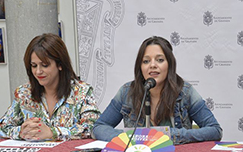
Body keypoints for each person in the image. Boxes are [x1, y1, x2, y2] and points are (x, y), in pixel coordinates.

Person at [92, 36, 222, 144]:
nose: (153, 65)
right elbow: (98, 128)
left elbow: (215, 130)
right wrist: (131, 137)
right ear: (140, 67)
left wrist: (173, 135)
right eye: (146, 61)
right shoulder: (127, 92)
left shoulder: (185, 92)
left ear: (169, 64)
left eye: (160, 60)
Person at [0, 33, 99, 140]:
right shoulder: (24, 93)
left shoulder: (82, 92)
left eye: (45, 65)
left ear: (60, 65)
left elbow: (93, 128)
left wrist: (53, 132)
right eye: (34, 66)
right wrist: (21, 132)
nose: (38, 71)